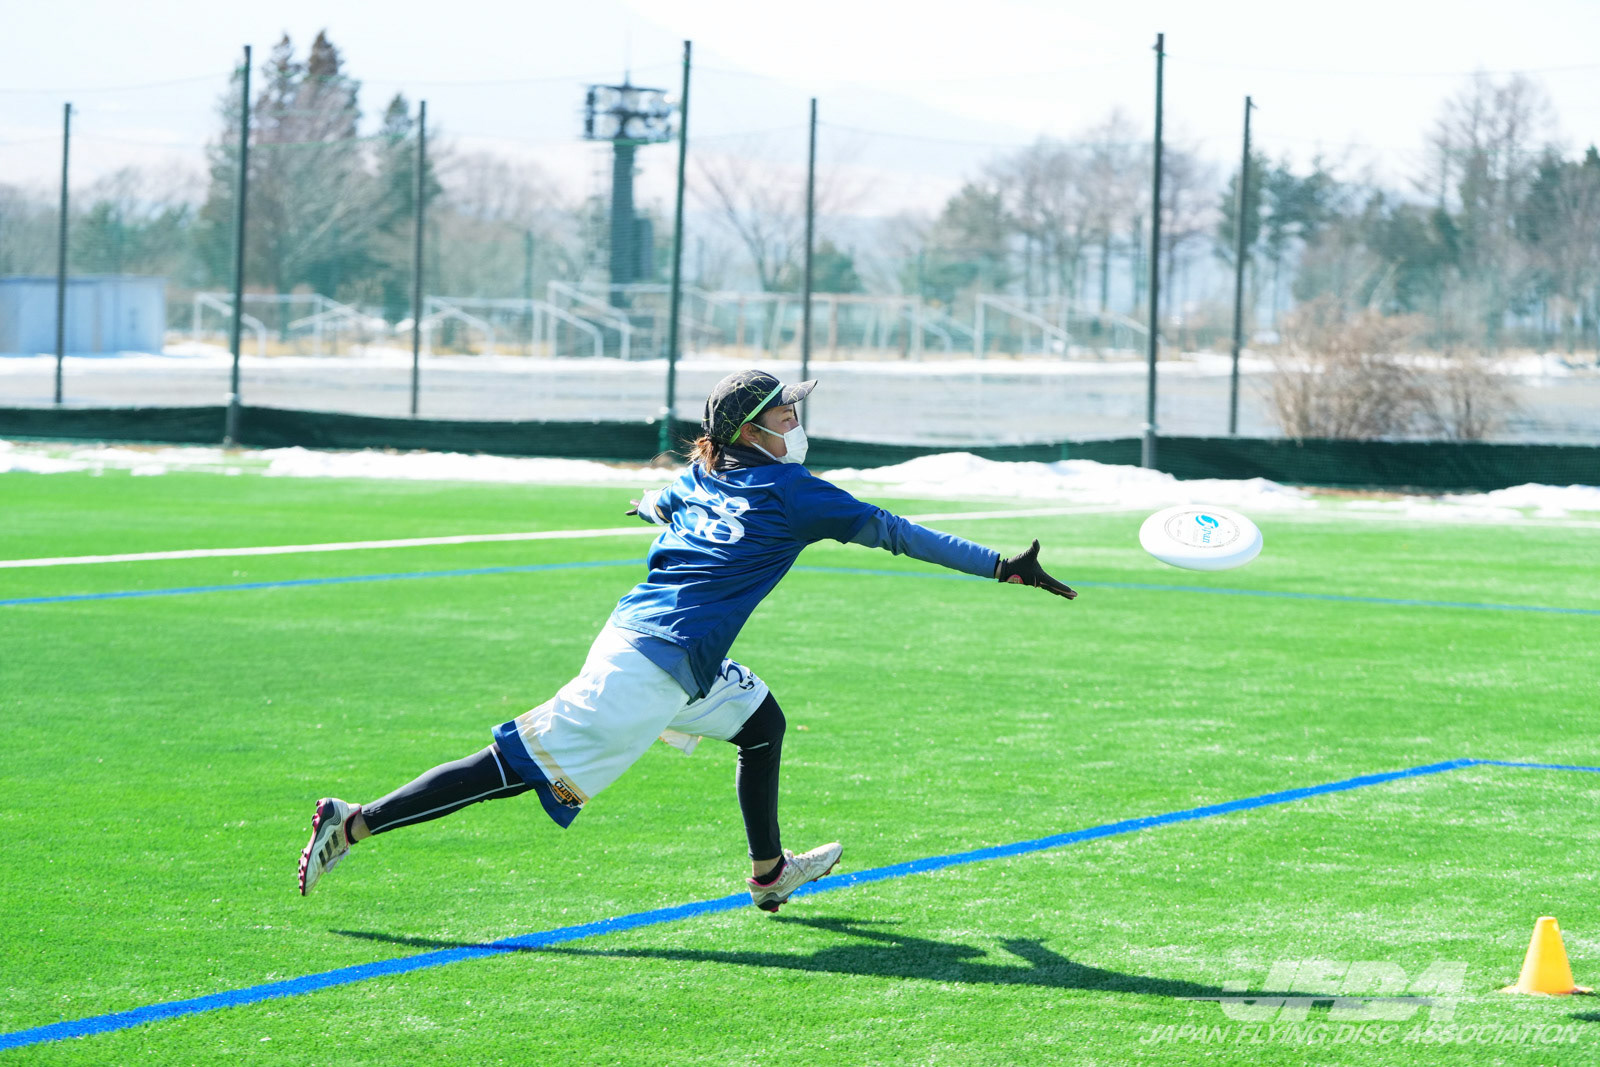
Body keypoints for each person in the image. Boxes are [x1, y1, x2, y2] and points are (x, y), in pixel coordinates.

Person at [299, 370, 1077, 911]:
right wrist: (1001, 566)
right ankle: (355, 819)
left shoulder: (703, 475)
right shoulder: (794, 492)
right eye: (785, 414)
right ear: (750, 429)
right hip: (641, 673)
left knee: (762, 722)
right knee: (511, 767)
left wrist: (652, 505)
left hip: (662, 651)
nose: (797, 421)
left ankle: (769, 873)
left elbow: (664, 500)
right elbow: (899, 533)